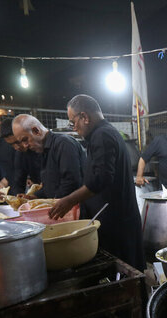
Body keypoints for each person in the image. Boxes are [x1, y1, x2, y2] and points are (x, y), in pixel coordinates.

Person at [50, 94, 146, 272]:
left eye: (73, 122)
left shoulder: (102, 135)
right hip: (115, 219)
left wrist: (69, 200)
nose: (74, 127)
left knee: (125, 274)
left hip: (116, 223)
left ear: (84, 117)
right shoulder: (103, 134)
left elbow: (100, 178)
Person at [12, 114, 84, 199]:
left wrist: (51, 204)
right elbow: (51, 186)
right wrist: (34, 197)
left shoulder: (63, 144)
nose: (24, 146)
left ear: (36, 131)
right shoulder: (44, 150)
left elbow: (71, 183)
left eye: (25, 139)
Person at [0, 117, 42, 194]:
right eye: (11, 144)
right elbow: (19, 180)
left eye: (18, 142)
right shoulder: (20, 153)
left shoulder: (56, 146)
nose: (16, 147)